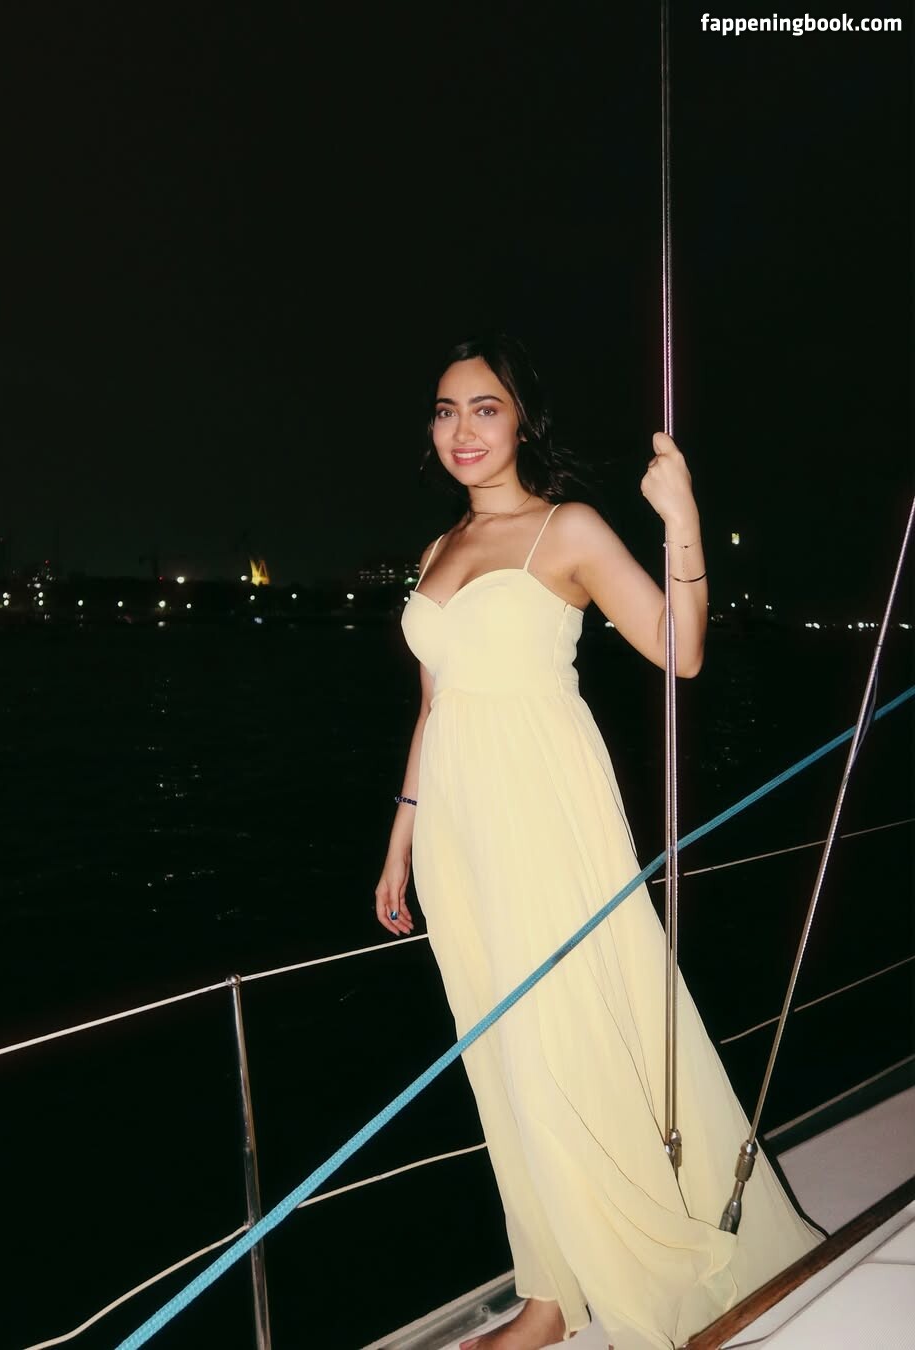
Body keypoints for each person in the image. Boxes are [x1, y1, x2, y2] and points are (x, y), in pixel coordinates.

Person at [374, 334, 823, 1350]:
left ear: (521, 420)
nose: (461, 430)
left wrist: (682, 521)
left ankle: (623, 1268)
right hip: (456, 838)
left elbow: (681, 650)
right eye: (444, 411)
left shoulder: (565, 528)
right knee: (500, 1060)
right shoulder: (440, 548)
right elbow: (435, 704)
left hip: (542, 817)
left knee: (562, 1044)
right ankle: (549, 1290)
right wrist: (403, 836)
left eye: (484, 408)